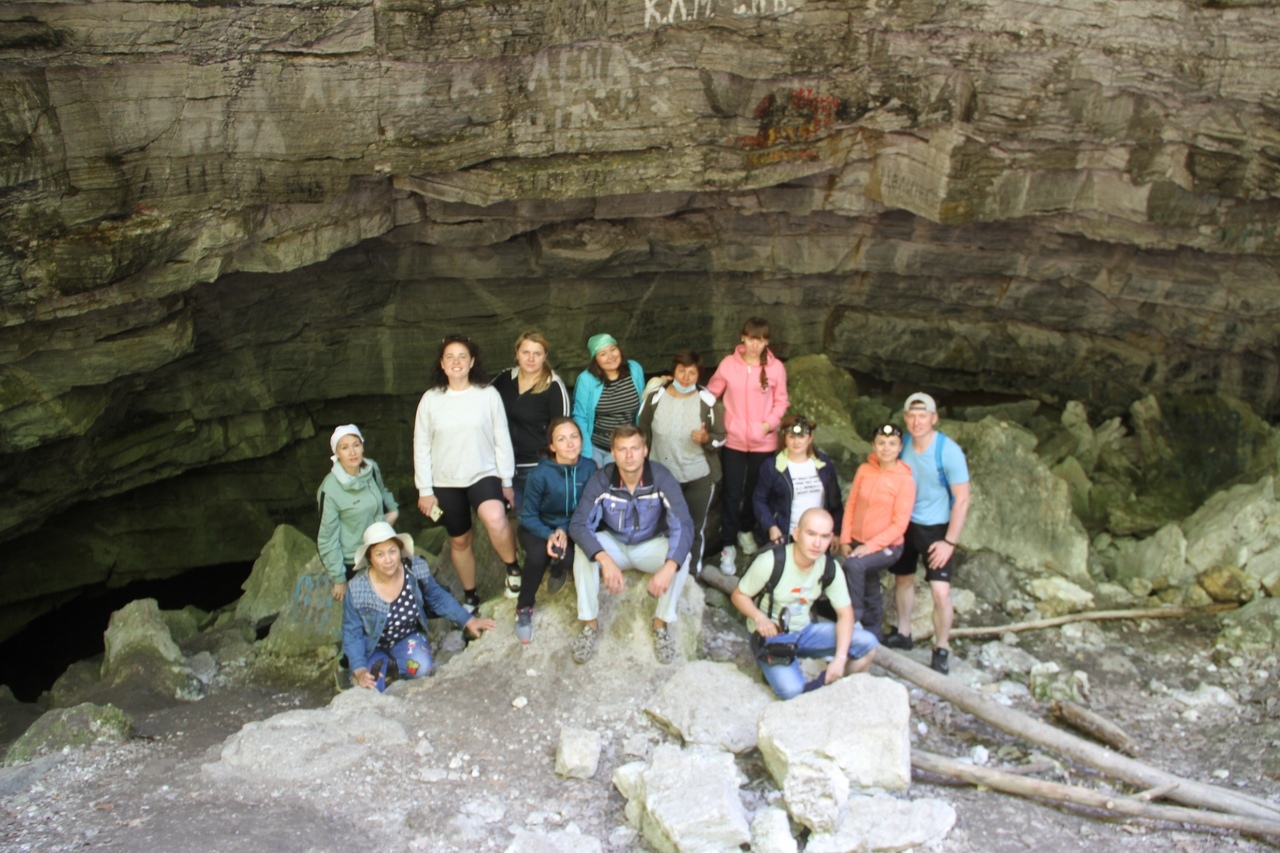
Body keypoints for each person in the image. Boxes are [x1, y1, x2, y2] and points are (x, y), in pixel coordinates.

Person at [568, 425, 694, 665]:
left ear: (645, 450)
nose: (629, 455)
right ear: (613, 453)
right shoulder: (602, 479)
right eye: (622, 449)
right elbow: (579, 525)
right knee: (583, 551)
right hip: (614, 544)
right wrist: (604, 559)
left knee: (681, 558)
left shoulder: (660, 477)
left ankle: (661, 624)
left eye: (635, 448)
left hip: (649, 545)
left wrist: (668, 568)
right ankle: (589, 624)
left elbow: (684, 525)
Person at [413, 334, 521, 610]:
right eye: (450, 357)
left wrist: (506, 481)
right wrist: (425, 490)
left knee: (496, 518)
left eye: (462, 356)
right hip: (445, 480)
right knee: (459, 540)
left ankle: (513, 569)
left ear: (472, 362)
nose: (456, 362)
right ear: (442, 364)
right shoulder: (431, 399)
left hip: (483, 473)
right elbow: (421, 444)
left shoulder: (487, 395)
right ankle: (470, 596)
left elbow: (502, 440)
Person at [731, 508, 879, 700]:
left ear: (831, 539)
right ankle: (777, 671)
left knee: (868, 645)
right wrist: (760, 618)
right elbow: (739, 595)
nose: (817, 543)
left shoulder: (829, 568)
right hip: (772, 637)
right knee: (793, 692)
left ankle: (837, 689)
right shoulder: (771, 561)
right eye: (811, 534)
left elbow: (846, 614)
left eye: (824, 537)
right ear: (797, 533)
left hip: (805, 631)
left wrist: (840, 660)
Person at [341, 522, 496, 692]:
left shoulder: (415, 569)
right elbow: (352, 632)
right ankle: (379, 669)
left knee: (422, 669)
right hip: (372, 646)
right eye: (379, 554)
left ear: (400, 550)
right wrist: (358, 667)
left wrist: (468, 620)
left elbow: (437, 597)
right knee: (368, 689)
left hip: (407, 637)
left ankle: (396, 667)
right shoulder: (358, 588)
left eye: (392, 551)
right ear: (370, 558)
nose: (388, 559)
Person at [884, 393, 971, 675]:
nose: (916, 421)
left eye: (923, 415)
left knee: (940, 592)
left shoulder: (948, 451)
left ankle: (941, 647)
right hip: (905, 521)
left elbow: (962, 499)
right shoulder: (904, 443)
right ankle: (904, 632)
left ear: (934, 418)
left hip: (936, 528)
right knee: (903, 579)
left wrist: (949, 542)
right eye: (911, 415)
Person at [706, 317, 789, 576]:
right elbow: (711, 393)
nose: (755, 344)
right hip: (733, 440)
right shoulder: (729, 365)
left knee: (756, 492)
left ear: (767, 341)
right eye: (752, 338)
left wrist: (768, 425)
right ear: (743, 338)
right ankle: (728, 543)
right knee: (732, 491)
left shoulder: (775, 368)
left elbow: (782, 401)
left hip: (764, 441)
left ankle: (745, 531)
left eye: (761, 339)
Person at [637, 349, 726, 576]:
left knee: (693, 527)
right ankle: (662, 569)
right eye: (681, 371)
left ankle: (691, 574)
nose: (686, 377)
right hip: (662, 474)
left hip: (697, 475)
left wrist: (707, 439)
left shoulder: (707, 400)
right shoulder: (656, 395)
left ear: (699, 375)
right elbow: (642, 429)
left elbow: (722, 437)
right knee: (661, 525)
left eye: (692, 373)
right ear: (673, 370)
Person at [515, 417, 598, 643]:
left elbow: (590, 507)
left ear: (581, 440)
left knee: (568, 557)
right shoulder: (540, 474)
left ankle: (558, 568)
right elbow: (529, 516)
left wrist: (565, 529)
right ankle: (523, 608)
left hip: (571, 527)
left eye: (574, 437)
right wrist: (550, 534)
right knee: (538, 554)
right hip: (537, 527)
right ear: (552, 446)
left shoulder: (589, 468)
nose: (570, 444)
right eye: (561, 440)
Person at [838, 423, 917, 643]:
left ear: (900, 447)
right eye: (881, 443)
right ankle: (874, 634)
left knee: (854, 565)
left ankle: (853, 618)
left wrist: (869, 547)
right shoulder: (864, 470)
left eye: (892, 444)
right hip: (856, 539)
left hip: (887, 546)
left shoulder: (905, 480)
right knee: (869, 583)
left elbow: (900, 525)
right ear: (873, 445)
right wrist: (845, 538)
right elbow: (851, 504)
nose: (886, 448)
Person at [316, 424, 399, 601]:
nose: (352, 452)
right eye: (344, 448)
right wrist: (339, 578)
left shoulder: (371, 469)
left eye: (356, 445)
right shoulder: (330, 489)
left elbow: (382, 491)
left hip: (378, 551)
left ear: (362, 446)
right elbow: (327, 538)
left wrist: (393, 510)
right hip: (353, 562)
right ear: (336, 454)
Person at [491, 331, 571, 511]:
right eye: (526, 352)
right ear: (517, 353)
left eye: (537, 353)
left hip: (537, 467)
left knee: (535, 521)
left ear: (545, 356)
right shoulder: (504, 379)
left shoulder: (553, 386)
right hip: (503, 467)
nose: (531, 358)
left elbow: (564, 432)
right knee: (509, 520)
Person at [752, 415, 844, 547]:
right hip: (784, 536)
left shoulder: (823, 464)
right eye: (791, 437)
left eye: (801, 437)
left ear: (810, 438)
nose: (796, 442)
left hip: (817, 537)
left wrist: (835, 531)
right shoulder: (772, 466)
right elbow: (759, 499)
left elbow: (835, 501)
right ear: (785, 438)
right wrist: (771, 526)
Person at [572, 333, 645, 468]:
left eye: (613, 349)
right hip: (597, 446)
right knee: (597, 483)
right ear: (596, 359)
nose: (610, 356)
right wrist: (587, 454)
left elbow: (645, 402)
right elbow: (580, 417)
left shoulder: (634, 369)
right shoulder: (586, 379)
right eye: (603, 354)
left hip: (626, 444)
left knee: (620, 485)